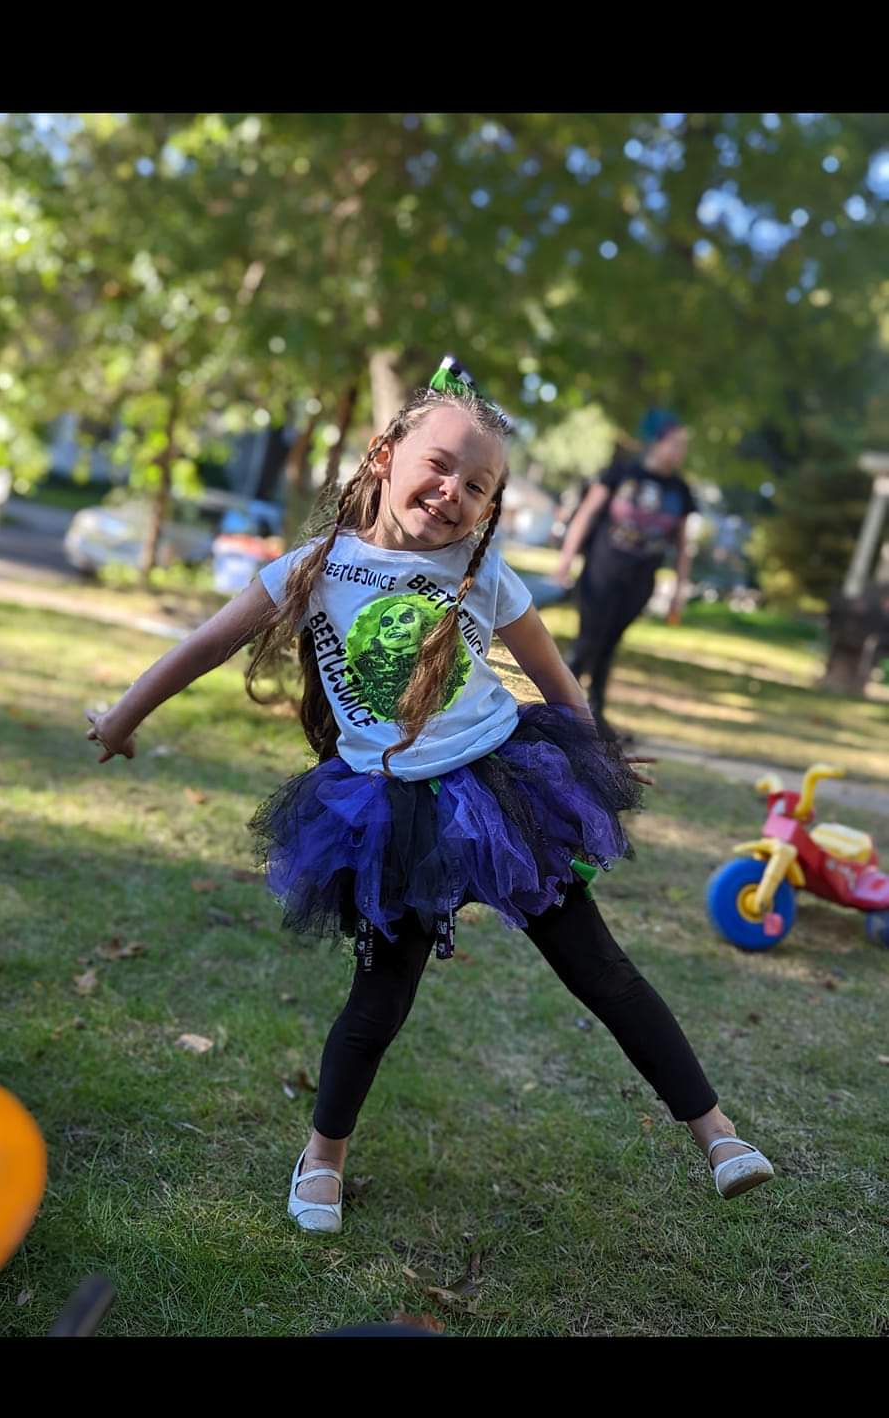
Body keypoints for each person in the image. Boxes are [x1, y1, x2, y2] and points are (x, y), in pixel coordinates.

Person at [85, 359, 772, 1237]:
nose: (451, 492)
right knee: (381, 998)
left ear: (490, 510)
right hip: (392, 814)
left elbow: (560, 685)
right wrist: (121, 719)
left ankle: (719, 1137)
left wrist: (600, 761)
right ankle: (322, 1159)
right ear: (382, 455)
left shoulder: (483, 575)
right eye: (439, 466)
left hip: (507, 794)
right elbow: (201, 647)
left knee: (601, 969)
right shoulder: (312, 566)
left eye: (476, 486)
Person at [554, 410, 697, 736]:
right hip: (601, 571)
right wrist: (566, 559)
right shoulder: (621, 473)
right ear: (657, 443)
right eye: (675, 444)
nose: (679, 452)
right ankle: (560, 709)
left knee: (609, 645)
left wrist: (679, 589)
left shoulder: (680, 490)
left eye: (683, 447)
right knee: (589, 640)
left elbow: (683, 545)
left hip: (640, 581)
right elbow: (587, 514)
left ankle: (594, 714)